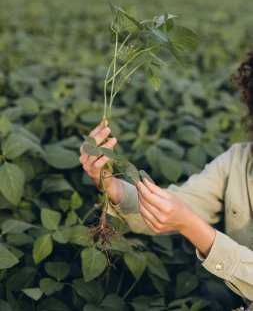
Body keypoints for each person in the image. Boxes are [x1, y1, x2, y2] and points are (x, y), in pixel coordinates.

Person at [79, 51, 253, 308]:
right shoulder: (237, 160)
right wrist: (110, 183)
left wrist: (193, 227)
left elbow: (185, 217)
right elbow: (172, 205)